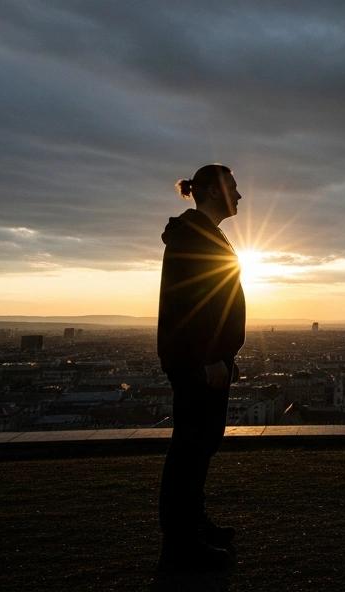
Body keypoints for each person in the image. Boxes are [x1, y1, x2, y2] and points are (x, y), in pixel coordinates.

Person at [156, 163, 246, 573]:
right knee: (190, 449)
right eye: (232, 187)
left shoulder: (203, 234)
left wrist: (225, 357)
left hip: (207, 361)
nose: (240, 195)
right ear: (212, 191)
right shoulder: (193, 237)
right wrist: (211, 357)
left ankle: (194, 526)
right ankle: (181, 544)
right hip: (199, 362)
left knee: (200, 446)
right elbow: (191, 303)